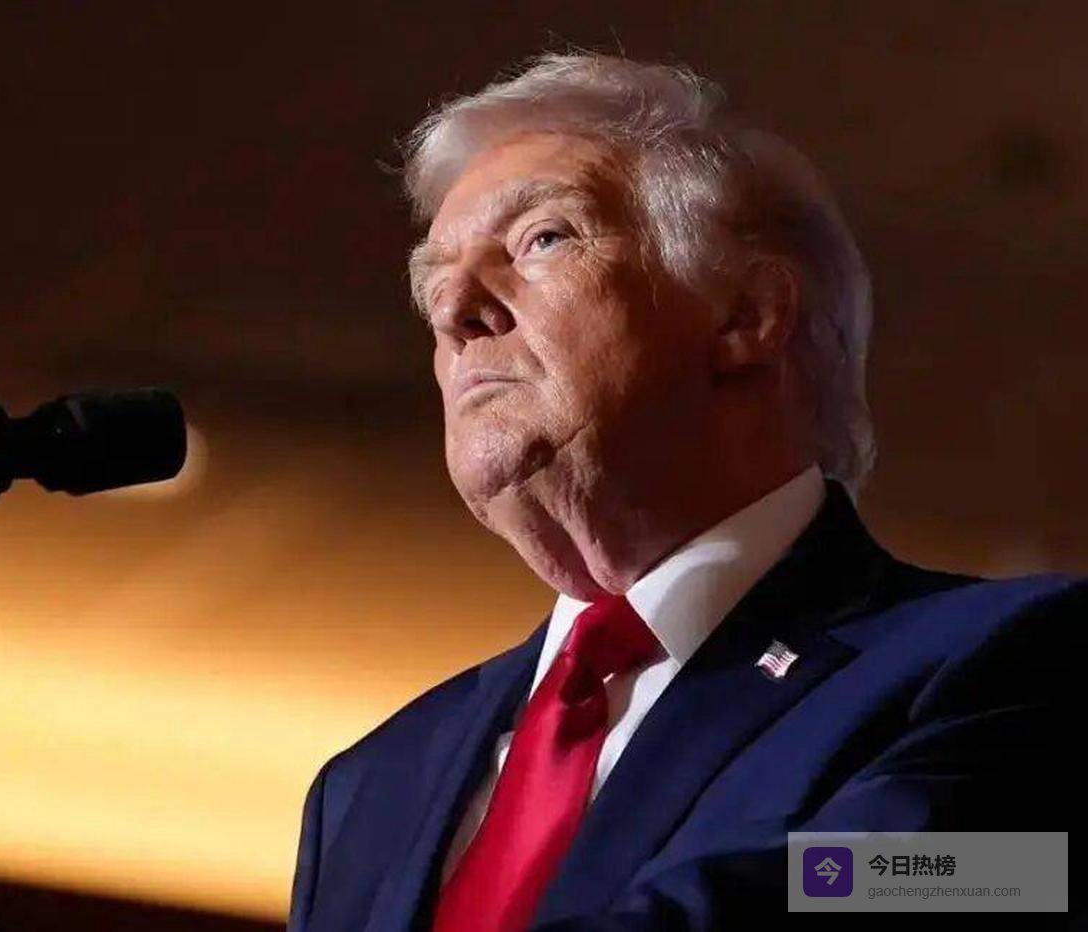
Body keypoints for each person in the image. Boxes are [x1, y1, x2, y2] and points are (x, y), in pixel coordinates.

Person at [287, 52, 1083, 931]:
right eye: (436, 284)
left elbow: (970, 878)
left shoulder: (1008, 658)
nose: (456, 310)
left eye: (542, 239)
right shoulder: (368, 790)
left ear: (747, 315)